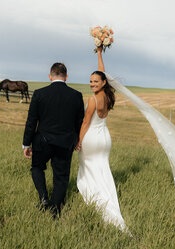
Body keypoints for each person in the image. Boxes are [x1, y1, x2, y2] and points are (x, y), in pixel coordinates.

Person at [75, 46, 128, 232]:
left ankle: (97, 198)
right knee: (102, 168)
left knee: (88, 167)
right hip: (105, 138)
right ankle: (107, 194)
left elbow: (85, 122)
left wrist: (79, 141)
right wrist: (99, 53)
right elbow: (103, 73)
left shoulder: (93, 99)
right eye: (90, 81)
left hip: (92, 138)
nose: (92, 84)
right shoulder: (108, 95)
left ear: (103, 82)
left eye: (95, 81)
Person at [23, 63, 85, 218]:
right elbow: (80, 122)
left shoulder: (39, 93)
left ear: (50, 76)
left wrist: (26, 143)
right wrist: (77, 140)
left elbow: (31, 121)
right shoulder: (76, 95)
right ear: (66, 76)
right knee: (61, 176)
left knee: (37, 168)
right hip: (65, 142)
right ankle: (55, 210)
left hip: (42, 140)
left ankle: (44, 197)